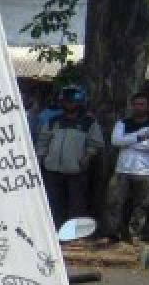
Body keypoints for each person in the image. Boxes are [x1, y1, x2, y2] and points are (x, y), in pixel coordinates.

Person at [36, 86, 104, 227]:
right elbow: (42, 141)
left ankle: (74, 234)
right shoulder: (53, 120)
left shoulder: (89, 122)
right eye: (66, 101)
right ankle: (55, 232)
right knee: (54, 202)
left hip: (76, 170)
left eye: (72, 102)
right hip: (52, 169)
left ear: (80, 103)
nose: (69, 104)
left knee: (76, 203)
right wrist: (41, 159)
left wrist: (87, 157)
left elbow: (96, 143)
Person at [101, 92, 149, 244]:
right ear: (132, 106)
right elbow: (115, 141)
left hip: (146, 171)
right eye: (136, 104)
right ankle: (112, 234)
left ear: (148, 106)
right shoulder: (122, 123)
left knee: (141, 205)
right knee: (113, 203)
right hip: (123, 170)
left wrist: (128, 141)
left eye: (142, 104)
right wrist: (139, 137)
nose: (139, 107)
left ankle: (134, 234)